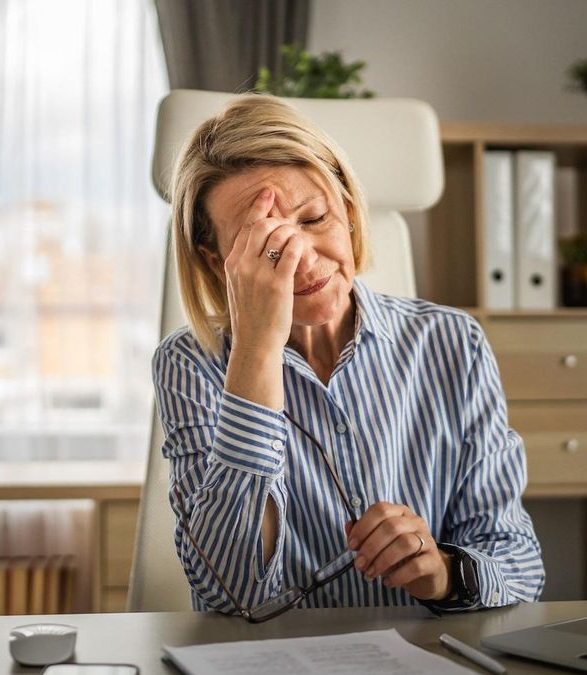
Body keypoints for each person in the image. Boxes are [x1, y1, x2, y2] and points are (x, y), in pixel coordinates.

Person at [153, 93, 544, 617]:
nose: (303, 261)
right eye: (266, 245)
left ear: (350, 210)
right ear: (217, 262)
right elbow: (229, 593)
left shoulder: (453, 343)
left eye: (314, 219)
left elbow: (519, 566)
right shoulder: (189, 363)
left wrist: (445, 572)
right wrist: (255, 351)